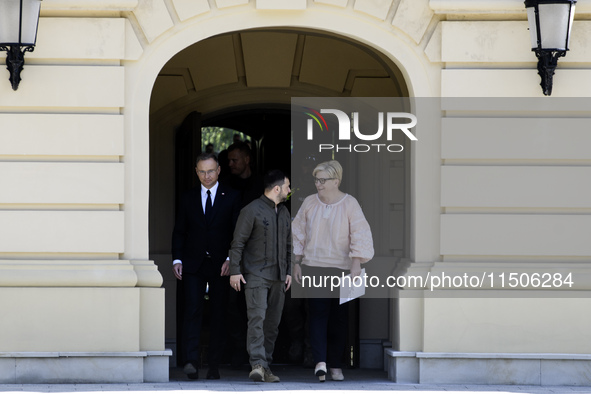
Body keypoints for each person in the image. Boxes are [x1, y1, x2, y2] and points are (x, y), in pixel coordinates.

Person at [292, 160, 374, 382]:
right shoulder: (309, 203)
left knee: (338, 319)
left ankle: (336, 365)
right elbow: (298, 233)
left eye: (322, 180)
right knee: (317, 315)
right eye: (316, 180)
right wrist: (297, 262)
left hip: (342, 270)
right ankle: (321, 363)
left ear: (336, 181)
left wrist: (356, 263)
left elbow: (360, 233)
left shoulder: (350, 204)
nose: (318, 184)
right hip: (314, 267)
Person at [171, 152, 241, 380]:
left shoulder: (231, 196)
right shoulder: (188, 197)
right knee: (192, 311)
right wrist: (177, 259)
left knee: (220, 314)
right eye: (202, 171)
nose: (206, 175)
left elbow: (237, 233)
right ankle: (191, 361)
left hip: (222, 264)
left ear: (219, 170)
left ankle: (213, 365)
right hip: (193, 263)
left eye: (210, 171)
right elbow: (179, 230)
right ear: (196, 171)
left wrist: (232, 259)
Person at [229, 170, 292, 383]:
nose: (289, 190)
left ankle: (266, 366)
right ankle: (257, 364)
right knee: (257, 319)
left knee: (272, 324)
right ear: (277, 189)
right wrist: (235, 271)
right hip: (256, 274)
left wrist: (289, 271)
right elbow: (238, 243)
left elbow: (289, 246)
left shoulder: (284, 213)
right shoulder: (251, 210)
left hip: (279, 276)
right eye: (287, 187)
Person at [225, 141, 264, 208]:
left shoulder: (261, 184)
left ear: (247, 160)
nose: (230, 164)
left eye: (234, 160)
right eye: (229, 160)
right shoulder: (225, 185)